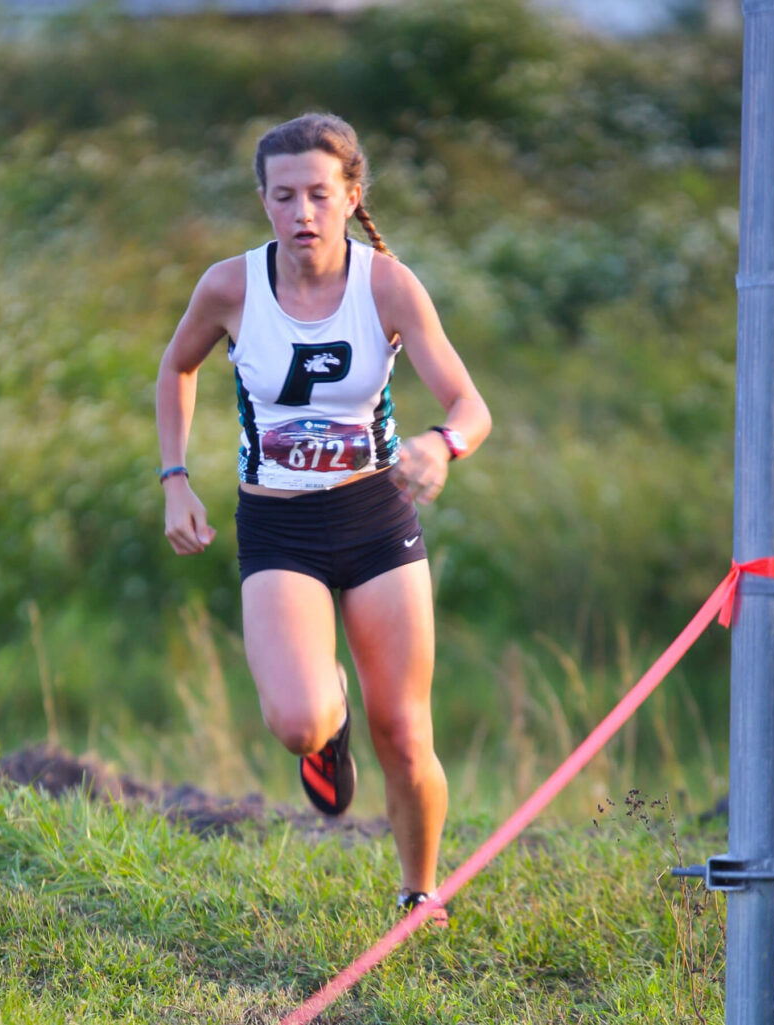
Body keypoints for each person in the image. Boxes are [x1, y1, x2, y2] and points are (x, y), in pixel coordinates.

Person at [154, 113, 490, 919]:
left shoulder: (389, 286)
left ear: (350, 196)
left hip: (377, 519)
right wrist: (175, 476)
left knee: (405, 733)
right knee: (301, 722)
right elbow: (177, 365)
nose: (301, 212)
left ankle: (419, 892)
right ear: (264, 202)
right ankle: (326, 724)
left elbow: (470, 404)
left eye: (317, 194)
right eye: (283, 196)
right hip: (279, 529)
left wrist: (442, 446)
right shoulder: (230, 285)